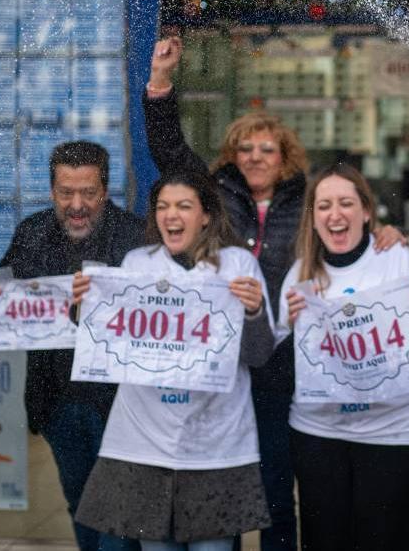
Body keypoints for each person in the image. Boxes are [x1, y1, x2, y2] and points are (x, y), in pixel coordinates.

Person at [143, 37, 404, 551]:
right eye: (246, 148)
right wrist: (160, 82)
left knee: (279, 491)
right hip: (220, 364)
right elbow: (168, 147)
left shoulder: (307, 199)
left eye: (268, 149)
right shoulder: (212, 194)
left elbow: (342, 229)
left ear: (286, 155)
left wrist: (383, 236)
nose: (256, 157)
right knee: (231, 485)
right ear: (231, 154)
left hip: (285, 366)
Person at [73, 171, 277, 551]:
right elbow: (104, 344)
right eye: (163, 207)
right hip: (144, 445)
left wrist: (253, 313)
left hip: (216, 447)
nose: (171, 215)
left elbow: (259, 354)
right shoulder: (136, 264)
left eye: (184, 206)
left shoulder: (237, 266)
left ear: (206, 215)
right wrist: (82, 308)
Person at [0, 141, 143, 551]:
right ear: (51, 191)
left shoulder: (136, 237)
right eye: (66, 192)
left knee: (119, 516)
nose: (77, 204)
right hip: (57, 402)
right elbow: (1, 310)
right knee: (81, 503)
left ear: (105, 190)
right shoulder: (30, 234)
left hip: (120, 403)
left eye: (88, 192)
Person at [279, 164, 409, 551]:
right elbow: (281, 366)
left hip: (395, 434)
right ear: (313, 218)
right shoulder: (299, 275)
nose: (335, 214)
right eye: (324, 206)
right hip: (320, 435)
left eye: (346, 203)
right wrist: (293, 328)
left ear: (367, 212)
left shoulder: (397, 260)